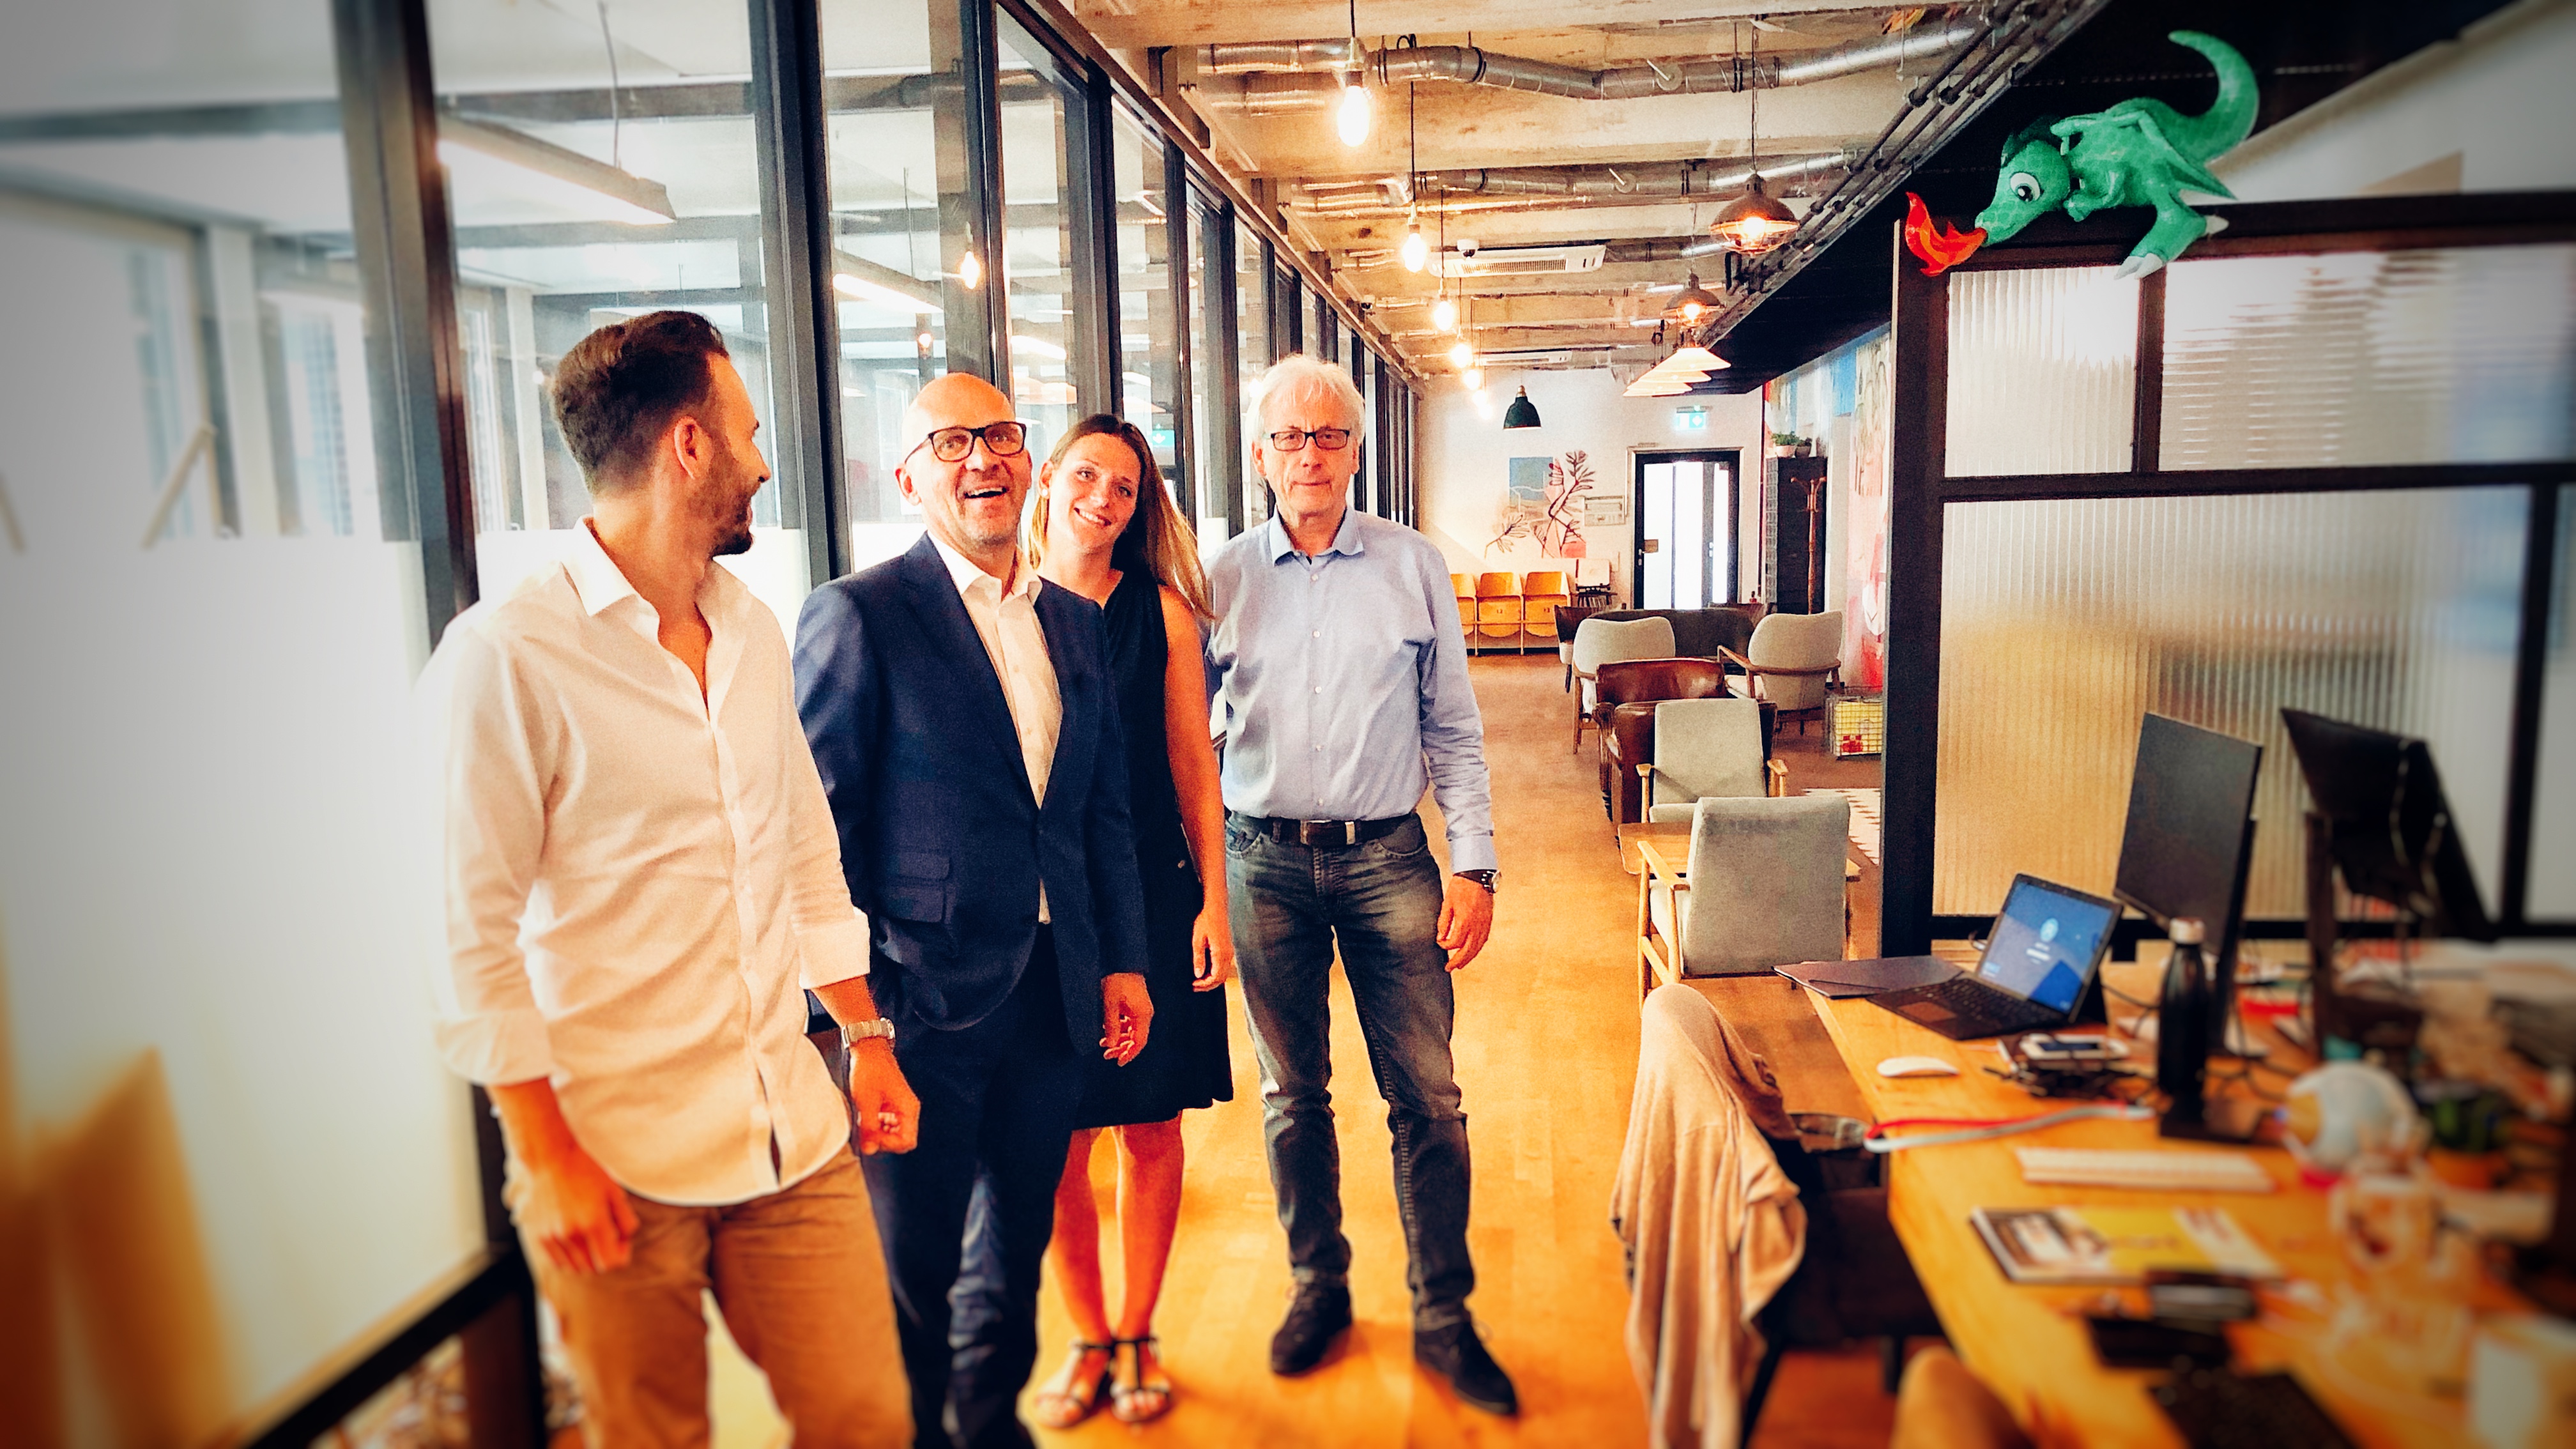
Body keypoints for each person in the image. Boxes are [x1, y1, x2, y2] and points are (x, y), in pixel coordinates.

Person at [415, 310, 913, 1446]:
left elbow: (802, 849)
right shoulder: (507, 656)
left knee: (866, 1420)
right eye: (749, 432)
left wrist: (866, 1036)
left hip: (788, 1132)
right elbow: (467, 934)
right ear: (690, 444)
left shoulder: (752, 631)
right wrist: (543, 1157)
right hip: (613, 1158)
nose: (762, 462)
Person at [793, 375, 1154, 1449]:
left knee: (1014, 1248)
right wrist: (857, 1024)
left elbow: (1099, 813)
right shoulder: (860, 614)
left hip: (1052, 995)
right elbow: (817, 837)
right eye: (950, 444)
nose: (982, 459)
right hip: (918, 1012)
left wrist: (1122, 961)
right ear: (909, 480)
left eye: (999, 435)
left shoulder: (1072, 621)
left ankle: (989, 1428)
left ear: (1028, 460)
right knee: (913, 1275)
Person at [1205, 354, 1515, 1416]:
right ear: (1262, 456)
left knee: (1428, 1097)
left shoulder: (1413, 565)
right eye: (1290, 437)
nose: (1310, 454)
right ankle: (1318, 1288)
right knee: (1292, 1096)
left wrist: (1474, 863)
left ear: (1354, 450)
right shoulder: (1219, 580)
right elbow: (1188, 740)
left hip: (1390, 859)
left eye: (1329, 435)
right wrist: (1197, 883)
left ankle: (1444, 1314)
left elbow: (1454, 728)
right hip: (1261, 863)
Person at [1019, 417, 1236, 1427]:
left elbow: (1195, 763)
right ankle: (1088, 1336)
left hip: (1154, 887)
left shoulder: (1163, 612)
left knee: (1151, 1124)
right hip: (1045, 907)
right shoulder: (1006, 606)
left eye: (1125, 488)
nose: (1102, 500)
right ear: (1050, 478)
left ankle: (1140, 1331)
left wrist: (1215, 902)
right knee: (1058, 1137)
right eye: (1087, 477)